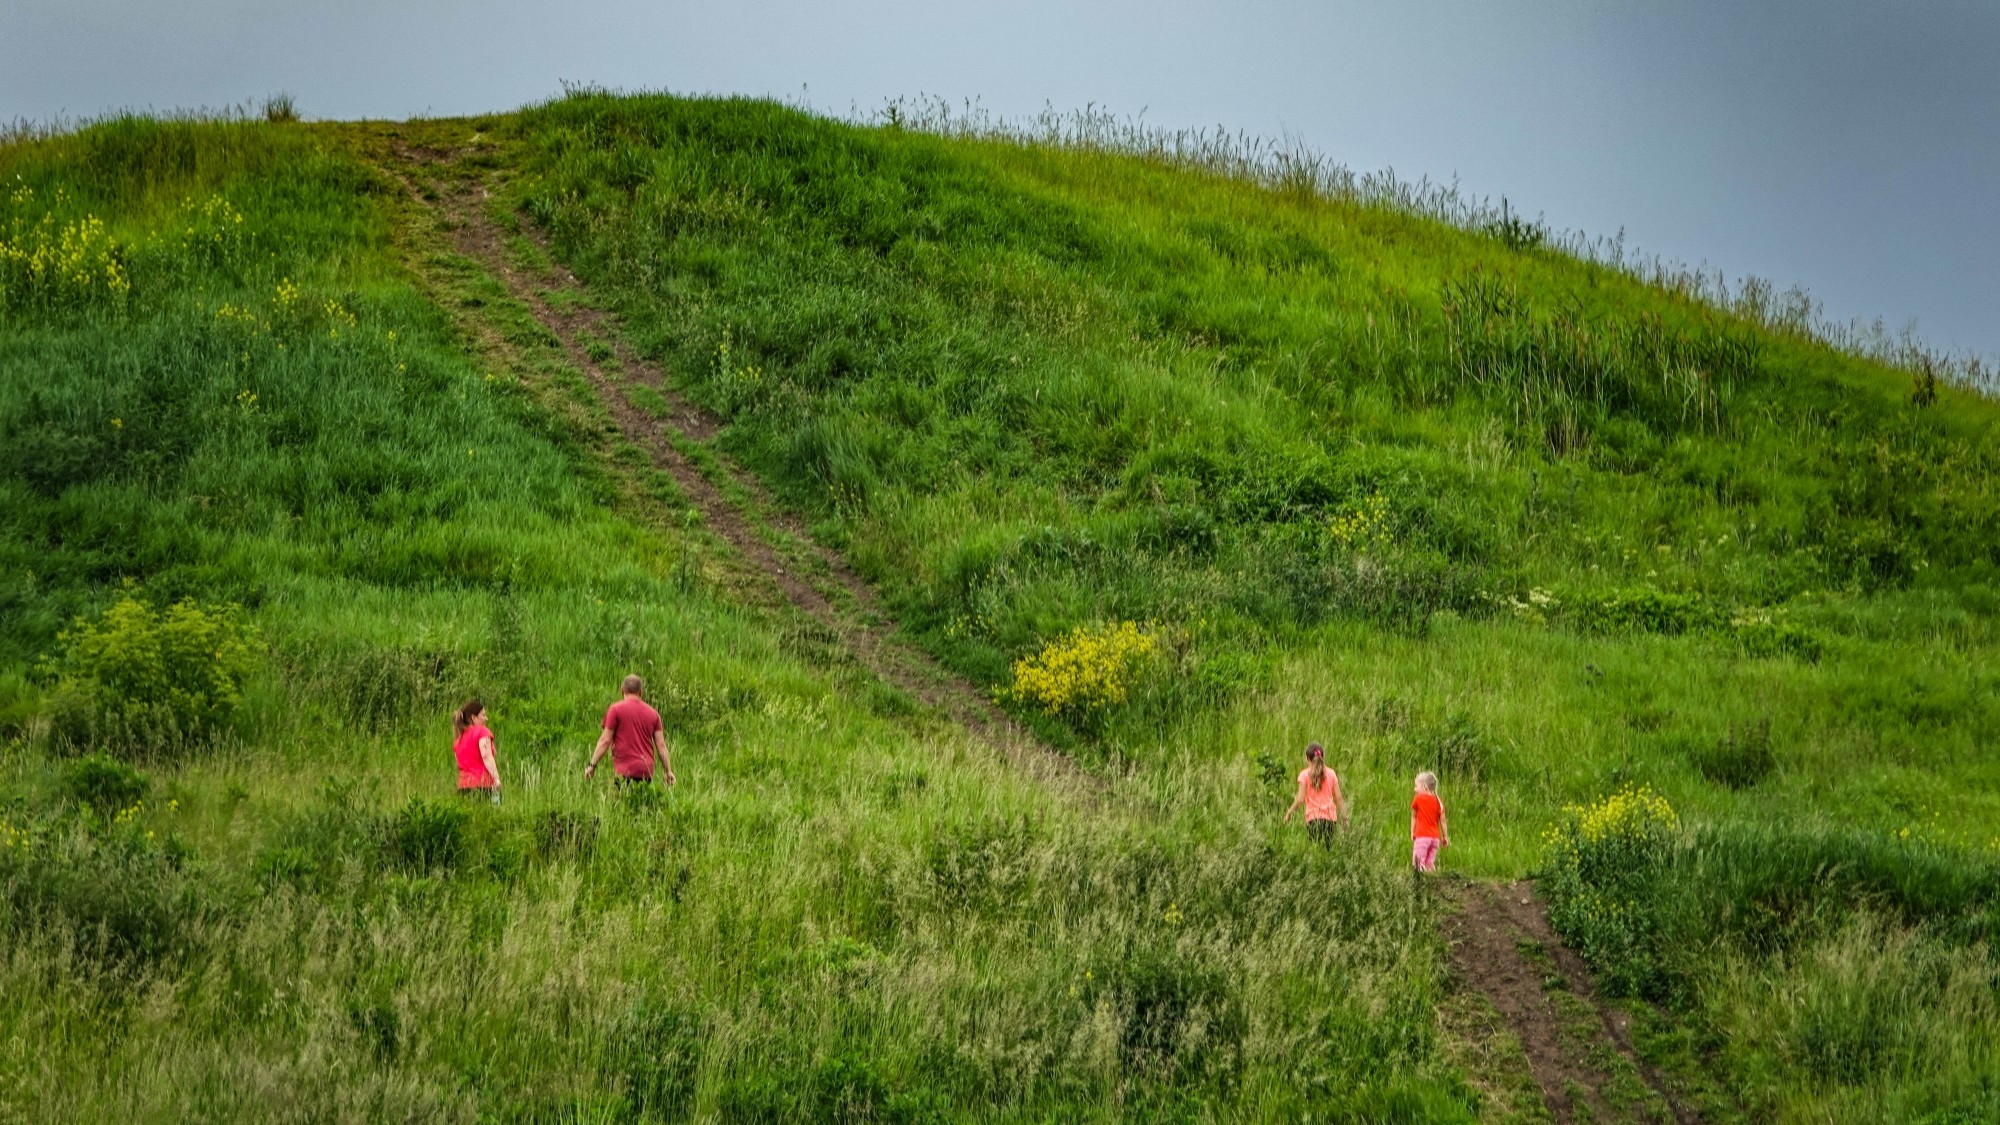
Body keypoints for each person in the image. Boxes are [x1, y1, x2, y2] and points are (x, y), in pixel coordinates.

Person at [586, 674, 676, 789]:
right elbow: (661, 745)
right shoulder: (654, 714)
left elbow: (605, 740)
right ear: (641, 692)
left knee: (623, 799)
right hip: (646, 771)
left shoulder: (615, 709)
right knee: (642, 799)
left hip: (624, 770)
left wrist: (592, 765)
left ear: (622, 690)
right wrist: (668, 771)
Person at [1282, 742, 1346, 843]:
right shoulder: (1331, 773)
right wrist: (1344, 817)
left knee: (1315, 846)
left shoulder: (1304, 775)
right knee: (1327, 847)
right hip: (1330, 818)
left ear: (1307, 759)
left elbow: (1300, 799)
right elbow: (1338, 797)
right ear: (1322, 757)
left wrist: (1289, 813)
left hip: (1313, 818)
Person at [452, 698, 501, 803]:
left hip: (463, 788)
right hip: (483, 786)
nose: (486, 718)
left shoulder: (458, 739)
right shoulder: (482, 732)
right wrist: (496, 779)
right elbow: (486, 756)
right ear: (473, 717)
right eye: (483, 715)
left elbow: (459, 764)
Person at [1411, 771, 1448, 872]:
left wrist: (1412, 831)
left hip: (1422, 836)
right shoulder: (1439, 801)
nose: (1415, 789)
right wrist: (1445, 836)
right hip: (1435, 838)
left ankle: (1419, 880)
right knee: (1429, 863)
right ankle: (1432, 878)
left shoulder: (1418, 799)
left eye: (1416, 786)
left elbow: (1414, 816)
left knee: (1418, 863)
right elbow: (1443, 821)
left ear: (1424, 787)